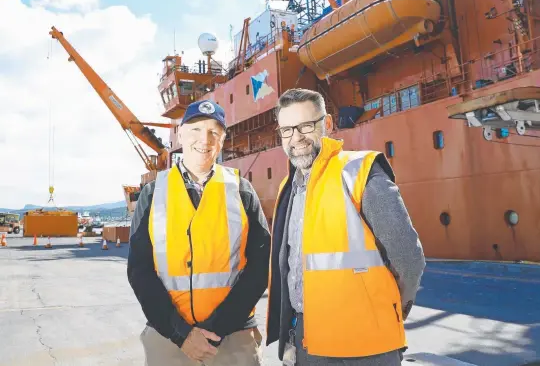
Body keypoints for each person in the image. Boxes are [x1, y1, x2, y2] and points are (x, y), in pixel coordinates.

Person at [266, 88, 426, 365]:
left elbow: (409, 259)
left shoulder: (359, 172)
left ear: (327, 125)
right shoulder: (288, 188)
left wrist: (390, 310)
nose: (297, 138)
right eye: (287, 130)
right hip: (308, 341)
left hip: (365, 348)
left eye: (306, 126)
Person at [127, 99, 271, 366]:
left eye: (214, 132)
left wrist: (216, 329)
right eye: (195, 130)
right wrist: (181, 334)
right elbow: (139, 270)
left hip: (234, 336)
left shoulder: (241, 190)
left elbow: (262, 265)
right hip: (168, 339)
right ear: (180, 134)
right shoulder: (153, 192)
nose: (204, 139)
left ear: (223, 139)